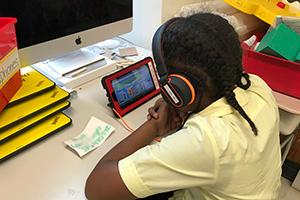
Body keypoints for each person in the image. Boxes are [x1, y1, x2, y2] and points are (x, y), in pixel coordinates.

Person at [85, 13, 281, 200]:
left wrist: (154, 126)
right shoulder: (257, 85)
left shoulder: (207, 140)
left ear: (178, 89)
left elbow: (95, 188)